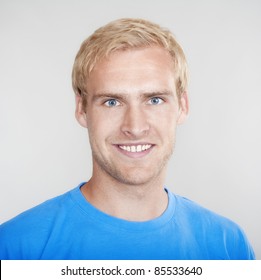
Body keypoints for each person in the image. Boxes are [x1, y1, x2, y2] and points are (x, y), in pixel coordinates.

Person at [0, 18, 255, 260]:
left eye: (154, 100)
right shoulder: (16, 247)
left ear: (183, 106)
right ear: (82, 110)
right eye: (112, 102)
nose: (135, 127)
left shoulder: (228, 246)